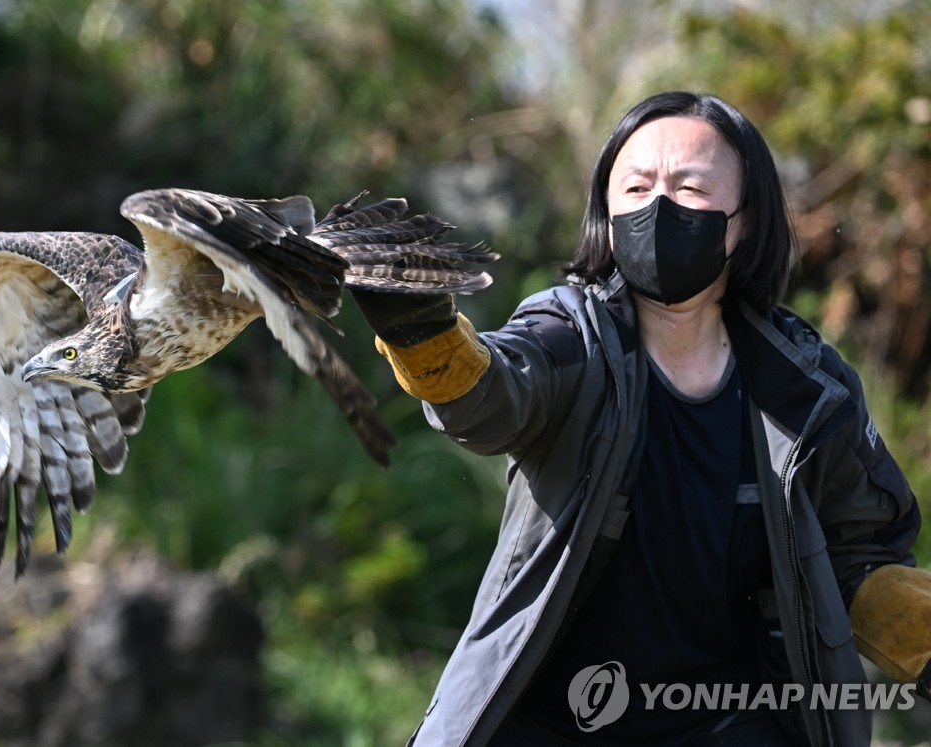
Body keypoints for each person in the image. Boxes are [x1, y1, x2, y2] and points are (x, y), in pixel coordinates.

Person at [353, 91, 931, 746]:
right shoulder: (568, 335)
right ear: (605, 212)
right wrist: (420, 330)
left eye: (690, 187)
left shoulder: (807, 386)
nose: (658, 206)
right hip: (547, 719)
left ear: (745, 221)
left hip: (728, 719)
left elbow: (860, 553)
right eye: (635, 186)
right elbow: (491, 399)